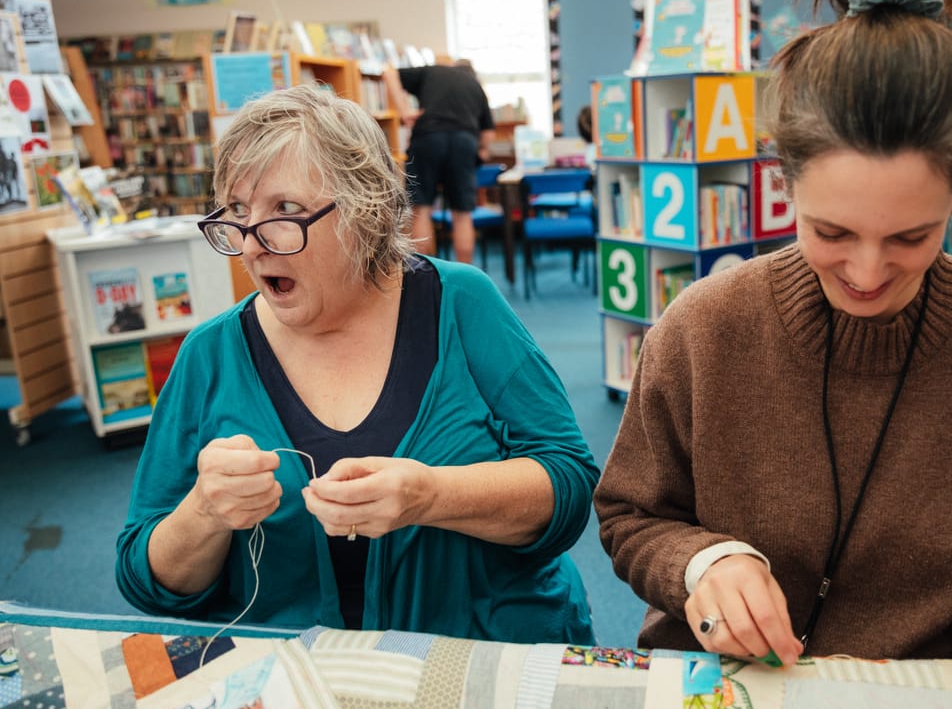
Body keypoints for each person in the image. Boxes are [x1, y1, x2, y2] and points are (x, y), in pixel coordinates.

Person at [594, 0, 952, 666]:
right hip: (724, 690)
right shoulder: (702, 328)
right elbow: (629, 514)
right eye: (831, 232)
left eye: (911, 236)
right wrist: (700, 563)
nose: (867, 273)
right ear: (786, 184)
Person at [116, 83, 598, 644]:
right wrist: (203, 512)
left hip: (483, 662)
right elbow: (146, 581)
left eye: (286, 211)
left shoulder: (463, 303)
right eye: (239, 214)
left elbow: (568, 487)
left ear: (365, 210)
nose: (250, 246)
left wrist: (433, 496)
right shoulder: (210, 355)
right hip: (296, 689)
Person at [390, 58, 496, 264]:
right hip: (464, 142)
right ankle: (464, 276)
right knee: (462, 215)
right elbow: (488, 134)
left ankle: (424, 276)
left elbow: (389, 73)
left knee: (421, 209)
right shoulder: (476, 86)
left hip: (428, 137)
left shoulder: (432, 72)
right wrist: (481, 151)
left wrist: (404, 111)